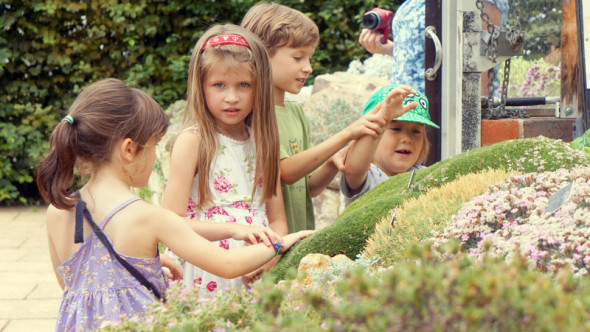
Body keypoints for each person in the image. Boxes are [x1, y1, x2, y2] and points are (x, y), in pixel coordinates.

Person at [36, 78, 313, 331]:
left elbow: (75, 285)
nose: (156, 154)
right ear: (129, 149)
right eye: (155, 145)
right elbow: (228, 264)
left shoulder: (57, 212)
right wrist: (282, 242)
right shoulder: (148, 217)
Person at [161, 24, 288, 295]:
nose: (232, 97)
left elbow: (277, 221)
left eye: (244, 85)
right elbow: (170, 221)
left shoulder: (264, 143)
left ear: (259, 87)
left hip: (256, 266)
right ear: (201, 86)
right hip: (203, 268)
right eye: (219, 85)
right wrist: (234, 230)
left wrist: (273, 255)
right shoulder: (193, 141)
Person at [241, 2, 386, 232]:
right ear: (261, 54)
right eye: (298, 58)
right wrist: (347, 133)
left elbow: (307, 187)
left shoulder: (296, 112)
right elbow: (286, 172)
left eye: (309, 58)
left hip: (295, 241)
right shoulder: (254, 114)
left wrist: (331, 163)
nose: (308, 67)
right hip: (265, 244)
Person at [359, 0, 508, 95]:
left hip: (441, 116)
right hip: (406, 113)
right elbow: (432, 51)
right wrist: (388, 49)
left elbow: (484, 53)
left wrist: (475, 116)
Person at [340, 84, 440, 206]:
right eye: (396, 129)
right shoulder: (368, 175)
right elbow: (352, 170)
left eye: (416, 131)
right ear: (368, 133)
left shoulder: (426, 175)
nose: (407, 139)